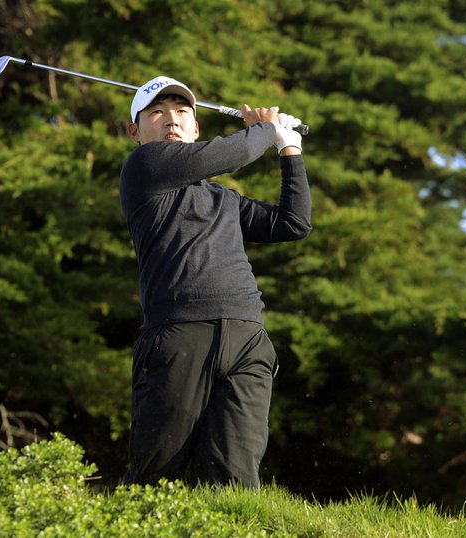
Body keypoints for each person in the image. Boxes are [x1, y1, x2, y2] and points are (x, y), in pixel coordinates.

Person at [119, 75, 311, 488]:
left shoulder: (224, 199)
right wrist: (265, 128)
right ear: (136, 131)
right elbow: (237, 150)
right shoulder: (144, 168)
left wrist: (288, 147)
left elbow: (293, 223)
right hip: (178, 336)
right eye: (157, 112)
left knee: (234, 483)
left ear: (195, 127)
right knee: (156, 478)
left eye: (182, 111)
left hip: (247, 339)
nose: (172, 119)